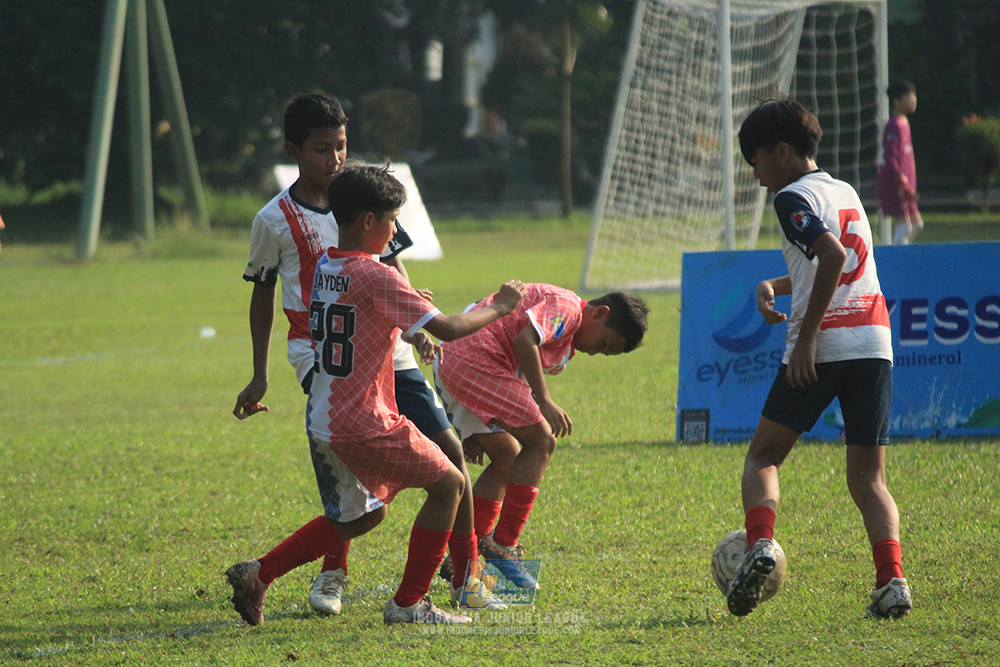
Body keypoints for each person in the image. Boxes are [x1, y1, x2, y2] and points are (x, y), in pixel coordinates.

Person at [225, 162, 528, 626]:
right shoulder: (377, 276)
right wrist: (502, 306)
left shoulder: (327, 265)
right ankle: (409, 604)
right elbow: (448, 328)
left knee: (362, 517)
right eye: (392, 220)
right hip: (366, 420)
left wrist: (407, 310)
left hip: (325, 416)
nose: (394, 231)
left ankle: (259, 573)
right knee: (450, 484)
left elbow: (366, 313)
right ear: (369, 220)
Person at [727, 98, 910, 620]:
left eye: (757, 161)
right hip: (874, 344)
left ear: (783, 151)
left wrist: (806, 338)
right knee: (869, 479)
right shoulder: (845, 191)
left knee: (763, 458)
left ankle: (760, 545)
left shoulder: (791, 197)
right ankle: (892, 581)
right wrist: (775, 284)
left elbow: (831, 255)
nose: (757, 175)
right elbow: (843, 262)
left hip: (825, 345)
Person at [432, 285, 648, 590]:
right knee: (543, 442)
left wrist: (475, 422)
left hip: (456, 358)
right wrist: (544, 402)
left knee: (507, 458)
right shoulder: (568, 308)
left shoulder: (566, 329)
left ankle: (462, 557)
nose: (594, 352)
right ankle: (503, 544)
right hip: (476, 360)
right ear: (600, 313)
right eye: (603, 343)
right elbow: (524, 340)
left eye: (603, 352)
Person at [876, 80, 923, 245]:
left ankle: (901, 254)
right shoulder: (893, 125)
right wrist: (901, 181)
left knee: (917, 224)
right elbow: (890, 157)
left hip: (906, 184)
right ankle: (895, 257)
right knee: (905, 226)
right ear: (896, 100)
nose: (913, 99)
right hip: (894, 183)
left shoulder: (904, 122)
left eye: (914, 95)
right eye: (908, 96)